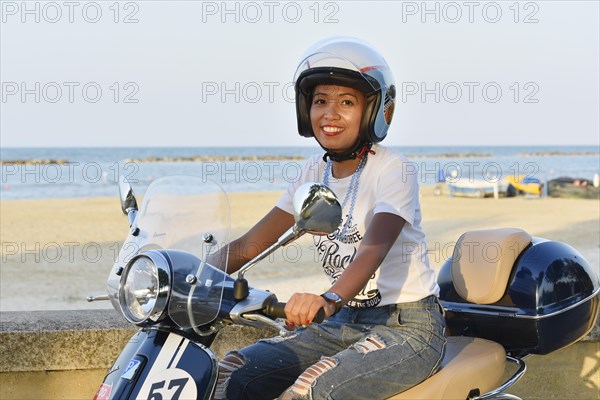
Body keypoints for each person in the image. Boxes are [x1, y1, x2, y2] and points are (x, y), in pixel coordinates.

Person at [214, 36, 446, 400]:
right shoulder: (311, 171)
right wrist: (185, 276)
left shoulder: (394, 169)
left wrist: (329, 298)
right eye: (320, 100)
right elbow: (252, 243)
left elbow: (374, 248)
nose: (330, 114)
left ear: (374, 110)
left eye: (347, 102)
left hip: (406, 326)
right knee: (233, 372)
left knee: (313, 390)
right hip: (339, 322)